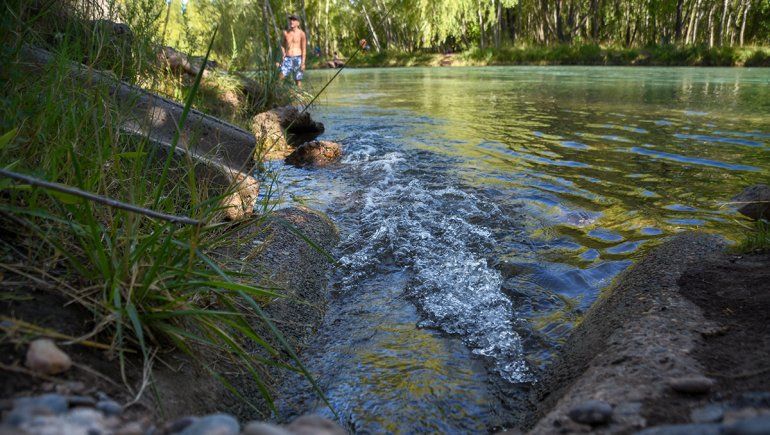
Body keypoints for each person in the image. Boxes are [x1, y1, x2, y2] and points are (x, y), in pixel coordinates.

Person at [279, 14, 306, 87]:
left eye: (294, 20)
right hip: (287, 58)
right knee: (281, 77)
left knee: (298, 80)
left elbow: (304, 49)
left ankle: (299, 96)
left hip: (298, 58)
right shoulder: (286, 33)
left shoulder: (302, 34)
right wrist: (283, 53)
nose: (291, 21)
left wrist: (303, 63)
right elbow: (282, 45)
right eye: (291, 20)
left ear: (298, 23)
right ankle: (278, 95)